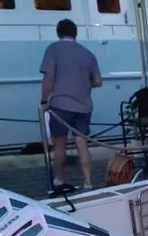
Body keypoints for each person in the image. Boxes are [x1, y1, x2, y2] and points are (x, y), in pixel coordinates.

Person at [40, 18, 102, 190]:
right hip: (84, 106)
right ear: (76, 33)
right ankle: (88, 182)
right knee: (82, 144)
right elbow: (98, 81)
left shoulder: (53, 50)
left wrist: (44, 100)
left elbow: (48, 78)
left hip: (60, 105)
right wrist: (81, 83)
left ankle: (58, 181)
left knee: (59, 144)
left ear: (58, 33)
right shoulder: (87, 53)